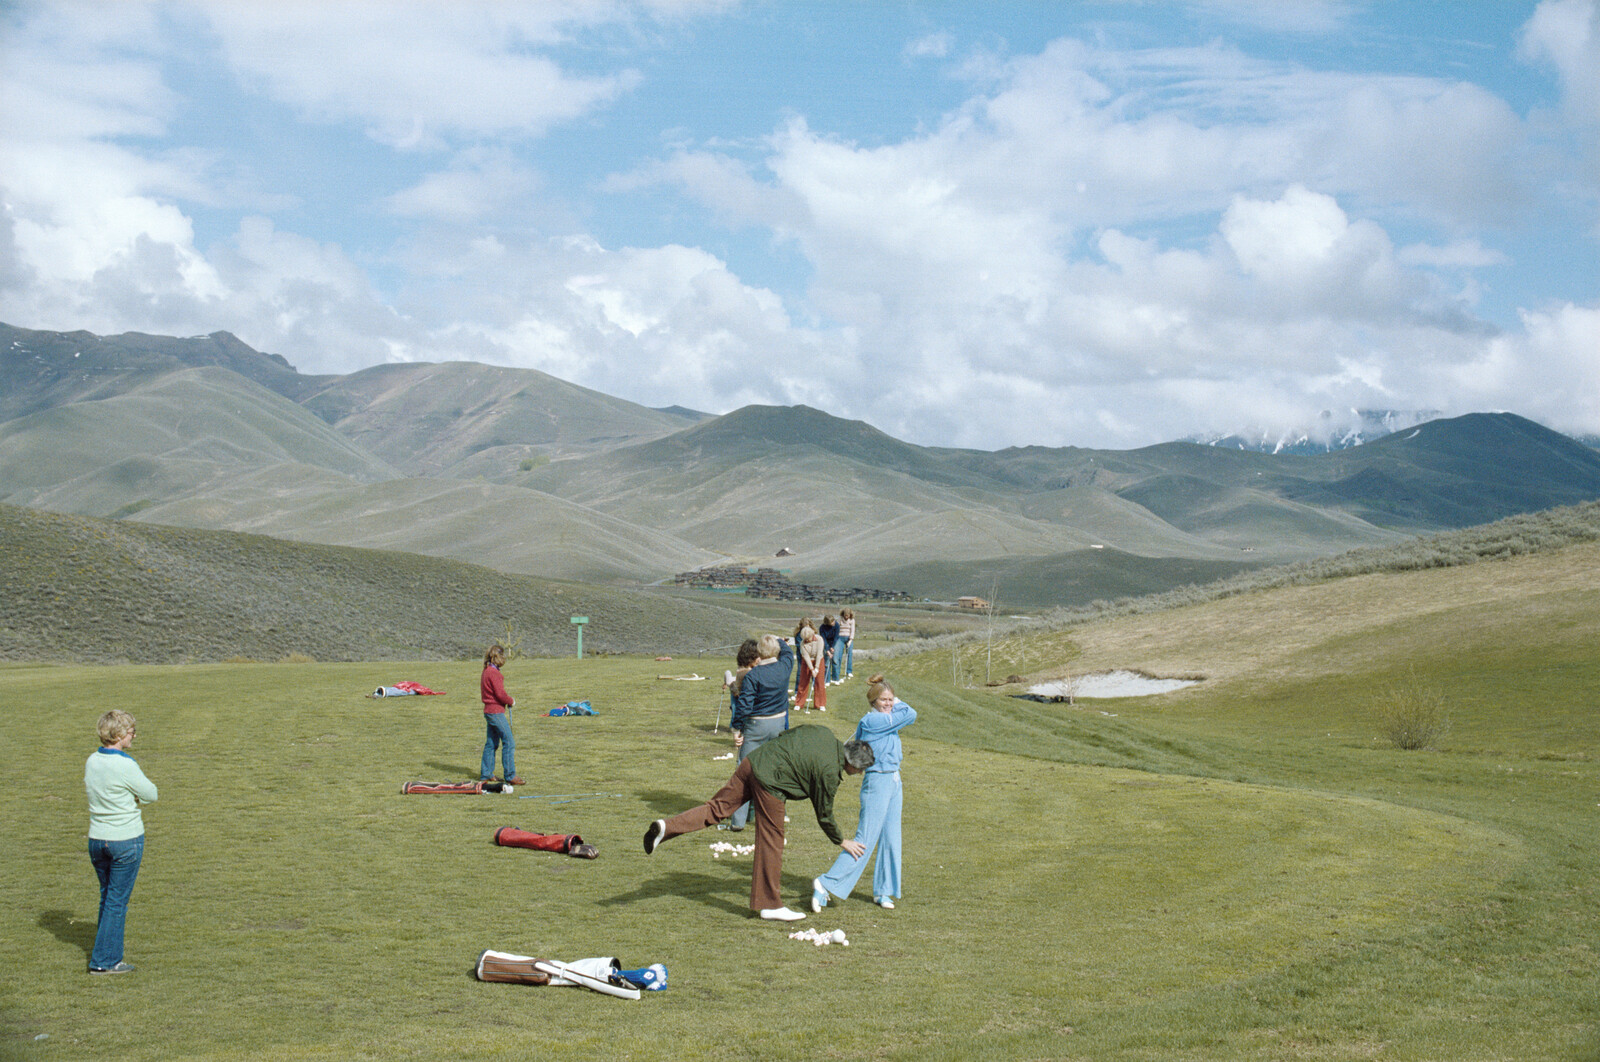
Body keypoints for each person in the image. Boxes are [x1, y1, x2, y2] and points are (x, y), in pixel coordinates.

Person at [643, 725, 873, 920]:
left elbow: (785, 735)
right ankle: (769, 905)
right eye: (861, 770)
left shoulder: (822, 731)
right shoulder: (830, 772)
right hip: (771, 783)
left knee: (717, 808)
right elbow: (824, 813)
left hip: (752, 762)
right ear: (852, 764)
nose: (860, 773)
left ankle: (666, 827)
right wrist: (841, 841)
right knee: (772, 840)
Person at [812, 674, 916, 912]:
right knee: (865, 839)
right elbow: (911, 714)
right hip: (878, 781)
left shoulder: (888, 718)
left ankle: (883, 890)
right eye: (883, 700)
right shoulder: (872, 721)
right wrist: (896, 702)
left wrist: (891, 695)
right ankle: (825, 883)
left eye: (890, 699)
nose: (888, 703)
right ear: (873, 701)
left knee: (891, 837)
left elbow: (906, 713)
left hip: (894, 779)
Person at [85, 709, 157, 974]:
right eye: (131, 732)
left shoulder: (92, 760)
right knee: (117, 902)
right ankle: (105, 961)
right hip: (125, 840)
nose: (133, 736)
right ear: (118, 735)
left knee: (107, 897)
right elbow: (151, 793)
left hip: (97, 839)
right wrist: (137, 797)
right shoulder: (126, 764)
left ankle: (104, 954)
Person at [727, 634, 792, 831]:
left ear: (759, 654)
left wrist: (737, 729)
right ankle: (774, 817)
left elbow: (744, 707)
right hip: (779, 724)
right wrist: (778, 639)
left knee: (744, 771)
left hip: (756, 726)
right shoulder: (785, 666)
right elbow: (788, 652)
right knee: (773, 771)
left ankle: (738, 822)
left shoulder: (753, 675)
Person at [480, 643, 524, 785]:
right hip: (495, 712)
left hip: (489, 711)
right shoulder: (494, 673)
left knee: (491, 743)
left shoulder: (487, 671)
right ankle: (510, 775)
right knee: (509, 742)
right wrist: (511, 701)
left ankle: (486, 774)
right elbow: (500, 694)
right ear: (497, 657)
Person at [794, 619, 827, 711]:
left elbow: (819, 654)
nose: (807, 640)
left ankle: (820, 704)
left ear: (812, 635)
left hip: (819, 660)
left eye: (808, 638)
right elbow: (806, 657)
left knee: (819, 682)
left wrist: (816, 668)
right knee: (803, 682)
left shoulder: (819, 639)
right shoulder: (802, 643)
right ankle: (799, 703)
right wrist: (812, 669)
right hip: (807, 662)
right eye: (805, 639)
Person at [819, 614, 842, 685]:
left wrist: (832, 647)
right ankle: (827, 680)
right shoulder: (822, 628)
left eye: (833, 621)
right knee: (827, 662)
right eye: (831, 622)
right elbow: (823, 639)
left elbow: (836, 637)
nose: (833, 622)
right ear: (827, 623)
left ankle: (835, 679)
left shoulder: (837, 625)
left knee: (835, 660)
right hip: (826, 643)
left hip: (835, 642)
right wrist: (827, 650)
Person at [838, 607, 856, 680]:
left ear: (850, 614)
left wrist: (850, 640)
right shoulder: (840, 619)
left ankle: (849, 671)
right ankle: (837, 671)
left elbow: (852, 630)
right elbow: (837, 628)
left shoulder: (852, 620)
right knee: (839, 655)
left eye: (847, 615)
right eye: (845, 615)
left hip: (849, 638)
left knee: (849, 655)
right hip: (840, 638)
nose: (846, 617)